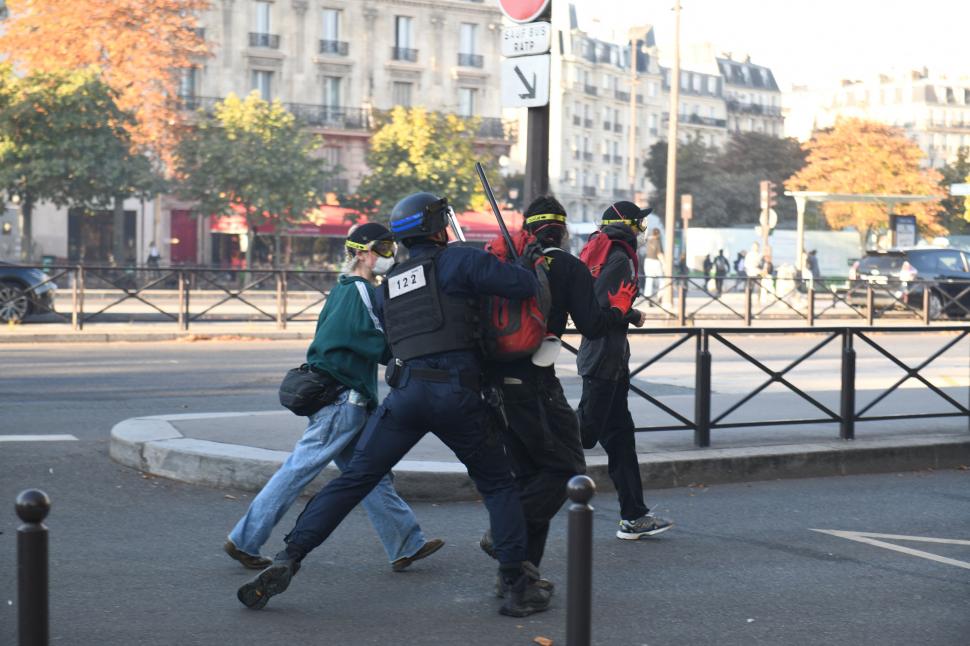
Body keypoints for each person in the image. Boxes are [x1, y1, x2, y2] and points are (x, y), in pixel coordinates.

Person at [237, 192, 552, 617]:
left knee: (353, 480)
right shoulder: (460, 259)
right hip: (458, 393)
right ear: (440, 228)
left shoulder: (393, 283)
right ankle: (517, 585)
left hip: (405, 396)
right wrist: (522, 259)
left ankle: (289, 556)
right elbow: (523, 286)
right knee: (498, 484)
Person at [224, 223, 442, 573]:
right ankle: (245, 540)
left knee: (369, 473)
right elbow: (380, 341)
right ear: (360, 253)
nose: (388, 255)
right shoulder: (359, 291)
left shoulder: (342, 289)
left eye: (390, 248)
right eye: (381, 249)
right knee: (297, 472)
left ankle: (406, 543)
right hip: (343, 400)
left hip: (344, 399)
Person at [480, 195, 642, 569]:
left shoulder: (500, 262)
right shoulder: (569, 266)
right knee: (567, 465)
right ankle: (507, 535)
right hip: (536, 381)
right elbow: (592, 326)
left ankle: (518, 577)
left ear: (528, 229)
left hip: (492, 382)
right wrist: (620, 309)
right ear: (564, 229)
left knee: (524, 474)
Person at [576, 201, 673, 541]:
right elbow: (597, 314)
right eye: (640, 225)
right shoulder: (618, 258)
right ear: (628, 226)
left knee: (621, 440)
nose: (643, 232)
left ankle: (634, 516)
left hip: (611, 360)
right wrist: (625, 314)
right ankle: (518, 499)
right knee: (580, 437)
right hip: (604, 360)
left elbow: (605, 302)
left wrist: (629, 314)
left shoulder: (607, 253)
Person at [642, 227, 664, 300]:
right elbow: (659, 254)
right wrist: (664, 264)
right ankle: (660, 295)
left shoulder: (648, 239)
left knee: (649, 280)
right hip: (655, 262)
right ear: (658, 234)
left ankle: (648, 297)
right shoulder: (657, 241)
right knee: (661, 280)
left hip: (647, 261)